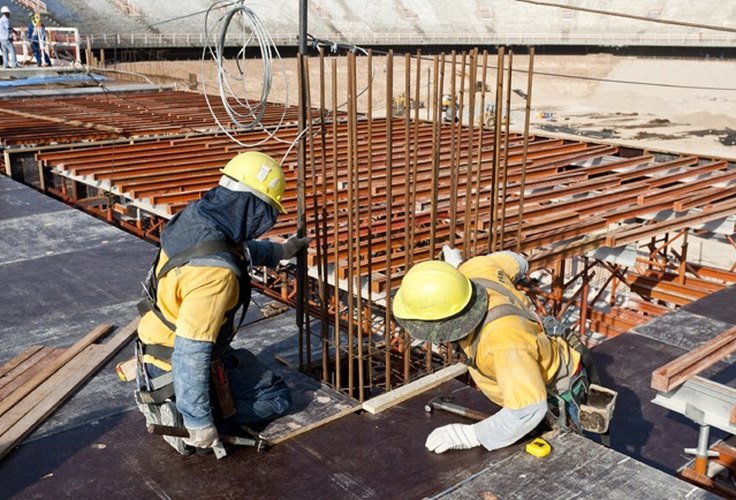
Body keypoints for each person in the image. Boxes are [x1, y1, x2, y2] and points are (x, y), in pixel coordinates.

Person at [134, 151, 311, 455]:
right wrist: (198, 421)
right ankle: (189, 421)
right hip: (174, 362)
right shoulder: (216, 275)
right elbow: (191, 353)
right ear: (252, 208)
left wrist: (280, 252)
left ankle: (183, 404)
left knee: (245, 362)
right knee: (277, 395)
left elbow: (232, 248)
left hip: (153, 346)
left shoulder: (196, 217)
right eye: (265, 213)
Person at [393, 249, 589, 454]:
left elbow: (528, 411)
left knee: (571, 456)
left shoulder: (502, 342)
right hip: (525, 367)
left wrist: (471, 435)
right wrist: (458, 269)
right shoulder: (475, 268)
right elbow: (519, 261)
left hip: (554, 394)